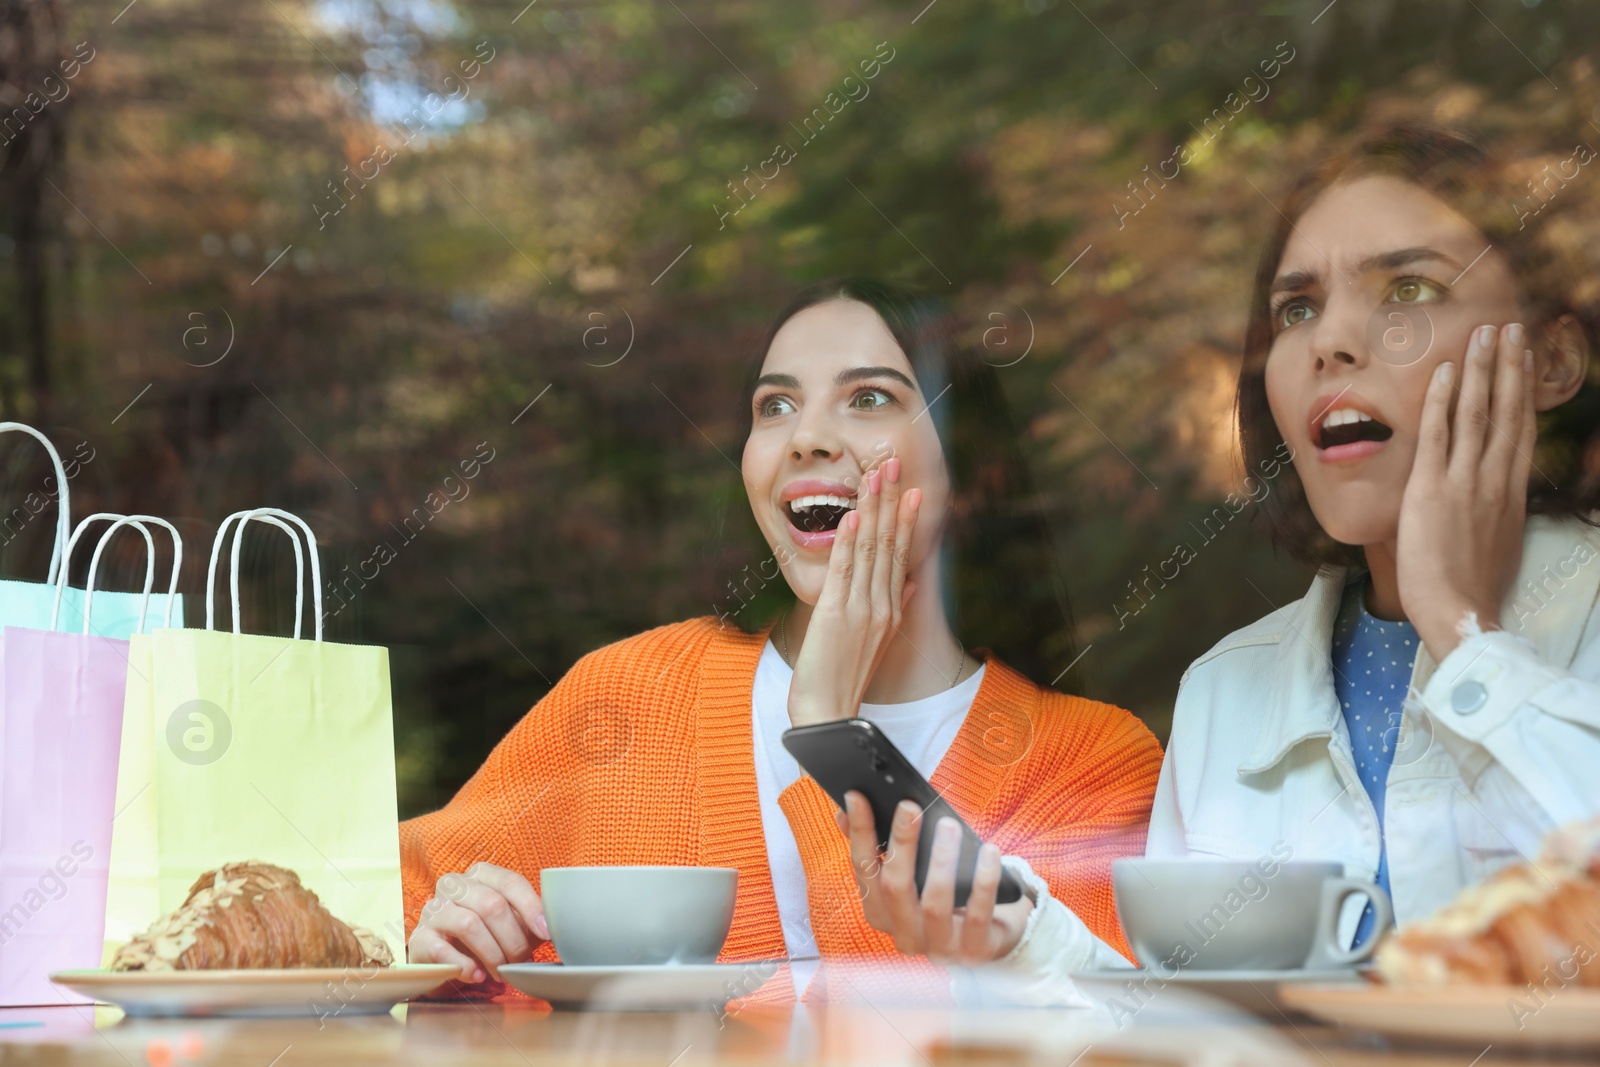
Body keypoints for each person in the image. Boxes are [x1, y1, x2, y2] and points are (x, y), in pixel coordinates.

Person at [401, 278, 1163, 1002]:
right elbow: (364, 907)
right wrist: (439, 951)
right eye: (775, 406)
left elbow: (999, 1029)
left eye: (869, 397)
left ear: (974, 471)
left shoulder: (1091, 763)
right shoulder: (631, 692)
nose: (806, 437)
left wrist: (831, 730)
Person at [1148, 123, 1600, 945]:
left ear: (1550, 362)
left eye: (1409, 290)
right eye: (1297, 308)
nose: (1331, 341)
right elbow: (1185, 1025)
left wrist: (1466, 635)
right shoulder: (1222, 695)